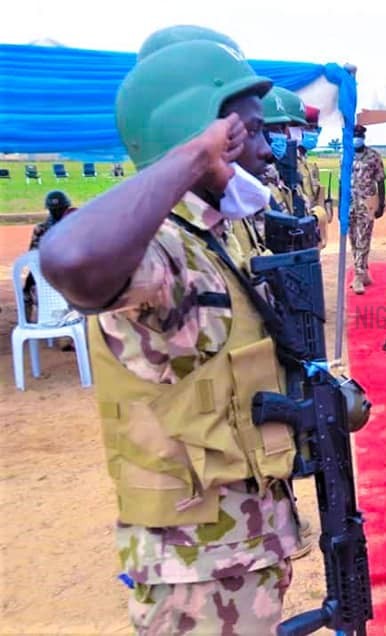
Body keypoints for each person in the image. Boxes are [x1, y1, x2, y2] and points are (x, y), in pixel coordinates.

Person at [38, 36, 304, 634]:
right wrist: (189, 158)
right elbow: (72, 261)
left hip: (242, 541)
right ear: (202, 138)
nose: (267, 152)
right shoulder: (162, 245)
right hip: (193, 562)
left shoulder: (216, 233)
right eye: (250, 134)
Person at [23, 190, 77, 321]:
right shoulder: (74, 225)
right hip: (64, 274)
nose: (57, 212)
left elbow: (33, 256)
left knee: (27, 291)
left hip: (51, 273)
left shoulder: (41, 228)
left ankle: (26, 322)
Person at [349, 124, 386, 294]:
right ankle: (363, 270)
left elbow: (380, 181)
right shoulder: (346, 155)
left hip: (367, 203)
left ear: (363, 137)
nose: (357, 138)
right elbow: (342, 182)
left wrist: (380, 205)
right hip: (350, 203)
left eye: (359, 135)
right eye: (354, 134)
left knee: (363, 238)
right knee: (353, 239)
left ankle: (358, 275)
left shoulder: (373, 157)